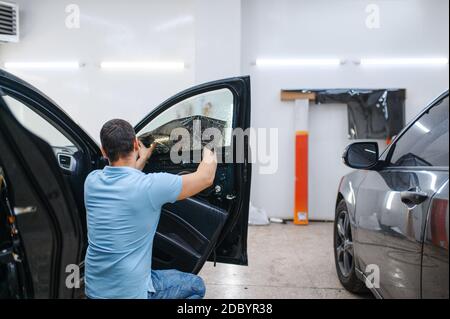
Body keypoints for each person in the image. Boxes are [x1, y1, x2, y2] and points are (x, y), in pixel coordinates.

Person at [84, 119, 217, 299]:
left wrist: (143, 159)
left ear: (103, 151)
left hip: (94, 291)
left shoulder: (92, 182)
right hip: (131, 294)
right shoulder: (151, 187)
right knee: (196, 286)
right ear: (134, 144)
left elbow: (125, 178)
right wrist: (211, 143)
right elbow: (206, 177)